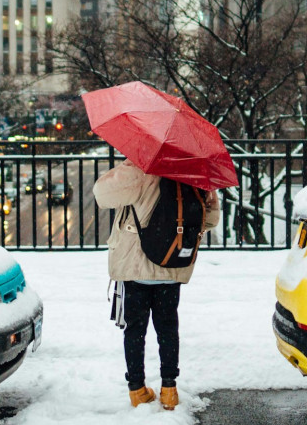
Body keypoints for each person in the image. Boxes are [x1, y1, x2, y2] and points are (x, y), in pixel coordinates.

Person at [93, 160, 221, 411]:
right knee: (168, 328)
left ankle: (138, 389)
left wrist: (125, 165)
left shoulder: (141, 170)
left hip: (136, 268)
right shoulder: (194, 171)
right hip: (172, 266)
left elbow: (102, 194)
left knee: (134, 330)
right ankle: (169, 389)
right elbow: (211, 219)